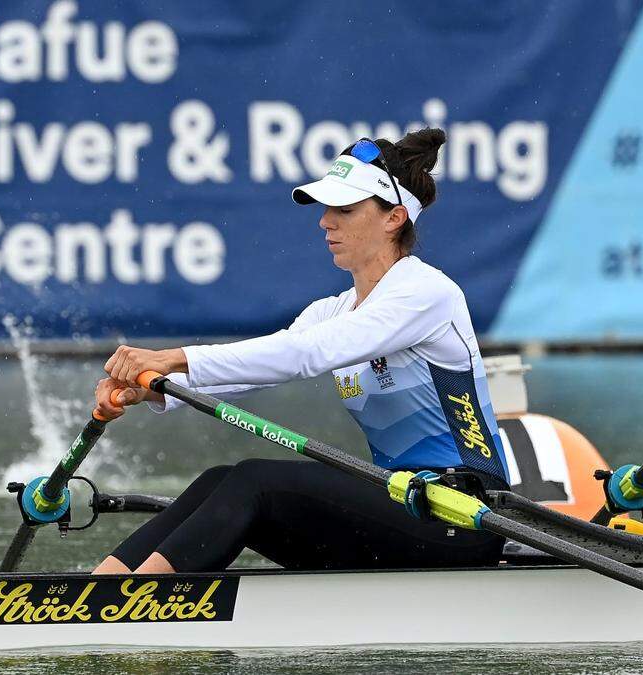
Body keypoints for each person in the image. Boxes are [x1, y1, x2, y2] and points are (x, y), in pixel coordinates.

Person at [89, 128, 511, 574]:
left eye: (345, 209)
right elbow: (253, 372)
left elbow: (303, 355)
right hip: (401, 502)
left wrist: (171, 357)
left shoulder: (427, 293)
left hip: (461, 516)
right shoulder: (333, 310)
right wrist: (153, 390)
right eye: (328, 208)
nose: (326, 221)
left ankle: (135, 607)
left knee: (255, 481)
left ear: (394, 218)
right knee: (219, 480)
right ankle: (98, 594)